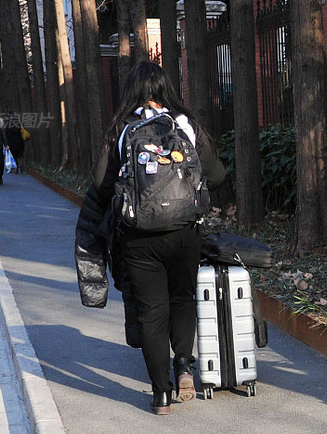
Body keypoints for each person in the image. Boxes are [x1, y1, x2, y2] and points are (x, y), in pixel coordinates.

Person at [74, 61, 226, 415]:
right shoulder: (185, 125)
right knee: (183, 300)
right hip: (185, 232)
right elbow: (217, 175)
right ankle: (185, 367)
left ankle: (161, 395)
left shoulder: (124, 129)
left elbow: (100, 183)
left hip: (139, 237)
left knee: (151, 313)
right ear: (165, 89)